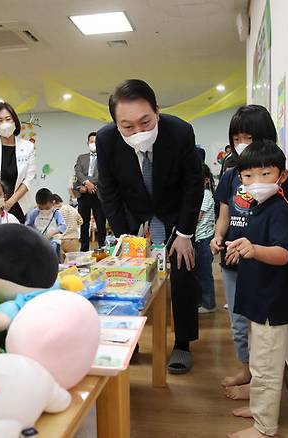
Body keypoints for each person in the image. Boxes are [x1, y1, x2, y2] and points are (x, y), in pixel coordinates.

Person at [96, 79, 203, 374]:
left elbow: (193, 185)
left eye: (145, 122)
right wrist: (124, 236)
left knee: (182, 272)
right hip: (133, 215)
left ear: (157, 110)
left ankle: (182, 343)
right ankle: (130, 339)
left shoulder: (180, 131)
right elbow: (109, 190)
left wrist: (185, 233)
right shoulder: (106, 141)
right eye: (127, 126)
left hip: (174, 213)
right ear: (116, 124)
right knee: (128, 280)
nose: (138, 132)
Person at [211, 104, 288, 399]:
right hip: (233, 260)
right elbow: (223, 214)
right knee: (239, 323)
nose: (241, 144)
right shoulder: (231, 175)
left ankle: (257, 385)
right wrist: (218, 237)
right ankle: (247, 370)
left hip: (263, 264)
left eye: (248, 137)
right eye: (236, 138)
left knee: (261, 328)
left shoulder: (278, 177)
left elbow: (286, 223)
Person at [225, 140, 288, 438]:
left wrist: (253, 249)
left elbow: (283, 253)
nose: (256, 182)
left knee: (266, 368)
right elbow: (253, 243)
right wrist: (239, 248)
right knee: (257, 359)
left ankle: (265, 427)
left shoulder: (279, 209)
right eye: (248, 175)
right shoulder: (258, 206)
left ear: (281, 176)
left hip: (271, 303)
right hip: (257, 298)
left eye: (265, 174)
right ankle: (258, 406)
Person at [0, 102, 36, 223]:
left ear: (14, 121)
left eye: (8, 119)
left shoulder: (28, 146)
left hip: (18, 203)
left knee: (16, 239)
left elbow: (28, 179)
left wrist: (10, 202)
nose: (5, 123)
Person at [73, 132, 107, 250]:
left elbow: (102, 174)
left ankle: (102, 247)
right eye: (91, 142)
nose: (94, 144)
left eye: (96, 142)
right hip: (83, 196)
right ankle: (84, 249)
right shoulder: (81, 158)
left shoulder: (104, 158)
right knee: (83, 223)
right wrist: (87, 183)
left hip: (98, 194)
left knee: (101, 223)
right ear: (88, 143)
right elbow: (78, 172)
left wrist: (90, 184)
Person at [194, 164, 216, 313]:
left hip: (204, 240)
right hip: (199, 239)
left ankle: (209, 304)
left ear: (206, 180)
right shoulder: (199, 194)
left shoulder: (206, 194)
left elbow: (196, 217)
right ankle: (201, 301)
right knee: (199, 273)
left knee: (204, 274)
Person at [26, 188, 67, 258]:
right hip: (38, 241)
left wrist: (53, 232)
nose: (44, 210)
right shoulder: (34, 213)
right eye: (41, 208)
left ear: (53, 203)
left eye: (47, 208)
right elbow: (28, 225)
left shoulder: (56, 213)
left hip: (53, 241)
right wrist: (35, 232)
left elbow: (63, 226)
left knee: (52, 254)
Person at [53, 194, 83, 261]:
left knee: (62, 264)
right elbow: (81, 221)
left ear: (53, 202)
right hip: (74, 239)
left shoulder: (57, 212)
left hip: (62, 240)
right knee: (73, 263)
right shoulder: (73, 209)